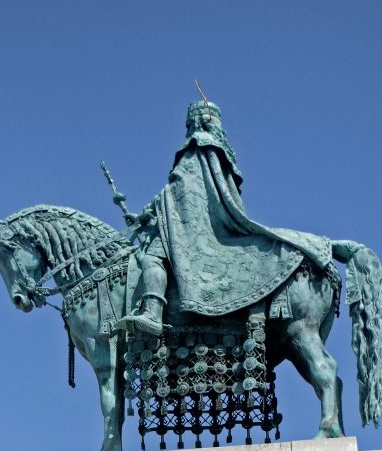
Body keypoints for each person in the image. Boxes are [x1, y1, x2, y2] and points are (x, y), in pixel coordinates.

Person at [120, 97, 333, 336]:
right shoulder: (223, 152)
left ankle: (152, 312)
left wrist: (148, 211)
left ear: (195, 122)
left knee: (151, 256)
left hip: (192, 226)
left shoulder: (196, 145)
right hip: (217, 222)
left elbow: (179, 187)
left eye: (189, 124)